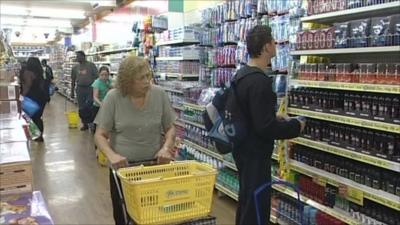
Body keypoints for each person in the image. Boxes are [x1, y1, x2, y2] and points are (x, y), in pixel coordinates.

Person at [231, 25, 306, 225]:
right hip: (255, 153)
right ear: (266, 47)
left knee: (247, 199)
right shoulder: (259, 82)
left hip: (242, 149)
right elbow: (265, 128)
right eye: (273, 42)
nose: (275, 45)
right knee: (257, 203)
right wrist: (295, 127)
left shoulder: (242, 75)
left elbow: (252, 115)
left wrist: (272, 118)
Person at [94, 56, 176, 225]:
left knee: (154, 215)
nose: (147, 81)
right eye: (141, 78)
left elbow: (170, 128)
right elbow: (99, 134)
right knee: (123, 216)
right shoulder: (113, 98)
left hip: (154, 166)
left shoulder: (159, 94)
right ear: (127, 81)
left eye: (148, 75)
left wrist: (166, 147)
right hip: (123, 170)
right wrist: (111, 155)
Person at [20, 57, 50, 142]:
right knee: (38, 117)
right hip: (41, 97)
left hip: (32, 97)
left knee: (30, 117)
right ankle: (39, 136)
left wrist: (21, 96)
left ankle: (36, 135)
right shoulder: (41, 72)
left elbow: (28, 86)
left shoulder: (28, 73)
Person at [71, 50, 98, 131]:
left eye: (78, 56)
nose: (77, 58)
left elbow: (97, 77)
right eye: (76, 56)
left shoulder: (91, 65)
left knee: (90, 106)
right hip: (80, 89)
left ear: (83, 56)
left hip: (90, 88)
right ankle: (84, 124)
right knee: (81, 107)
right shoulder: (75, 68)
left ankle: (91, 123)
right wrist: (72, 91)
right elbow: (73, 80)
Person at [91, 66, 112, 130]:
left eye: (106, 75)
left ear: (108, 75)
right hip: (98, 106)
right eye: (102, 75)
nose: (104, 77)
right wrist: (101, 104)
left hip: (108, 105)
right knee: (97, 125)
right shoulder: (97, 83)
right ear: (99, 74)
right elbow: (95, 97)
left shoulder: (109, 81)